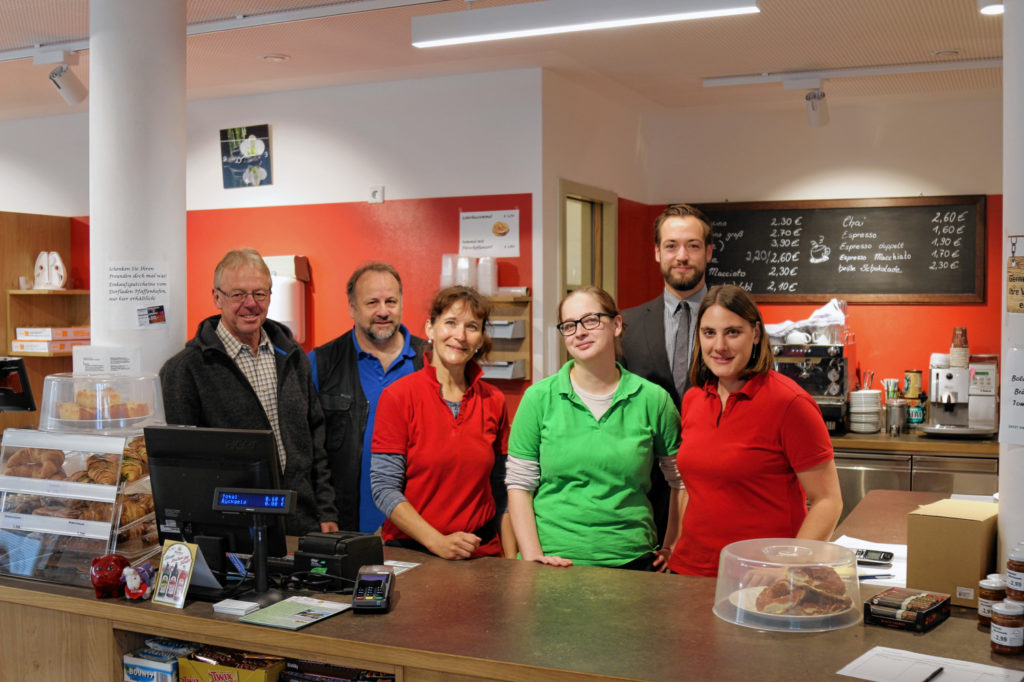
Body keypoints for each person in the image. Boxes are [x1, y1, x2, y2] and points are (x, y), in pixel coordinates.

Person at [159, 248, 339, 536]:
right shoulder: (185, 370)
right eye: (238, 294)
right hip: (233, 529)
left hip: (300, 522)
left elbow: (316, 440)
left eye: (260, 294)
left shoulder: (293, 357)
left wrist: (326, 510)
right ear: (217, 297)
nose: (250, 304)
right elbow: (185, 468)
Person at [667, 284, 843, 577]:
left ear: (756, 334)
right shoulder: (694, 398)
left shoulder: (790, 403)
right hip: (689, 572)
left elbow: (828, 501)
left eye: (733, 332)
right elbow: (693, 486)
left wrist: (788, 567)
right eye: (709, 332)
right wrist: (672, 545)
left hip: (761, 576)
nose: (719, 346)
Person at [506, 286, 682, 569]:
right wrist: (531, 556)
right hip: (554, 563)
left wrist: (673, 545)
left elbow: (680, 480)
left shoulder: (653, 399)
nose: (580, 331)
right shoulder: (538, 399)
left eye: (591, 320)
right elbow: (519, 485)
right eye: (569, 325)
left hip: (633, 562)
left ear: (617, 324)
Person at [369, 286, 514, 560]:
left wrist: (513, 559)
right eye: (450, 323)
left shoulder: (493, 400)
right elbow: (384, 488)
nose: (460, 336)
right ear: (430, 328)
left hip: (481, 553)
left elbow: (502, 490)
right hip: (414, 553)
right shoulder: (398, 397)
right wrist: (437, 542)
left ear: (481, 339)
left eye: (472, 327)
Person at [308, 262, 429, 533]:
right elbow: (308, 451)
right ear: (352, 307)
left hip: (420, 529)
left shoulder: (430, 361)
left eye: (391, 301)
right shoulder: (321, 364)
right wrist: (323, 510)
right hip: (344, 525)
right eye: (372, 302)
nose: (383, 311)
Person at [620, 203, 714, 545]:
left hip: (717, 482)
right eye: (672, 246)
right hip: (646, 491)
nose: (682, 256)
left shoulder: (732, 323)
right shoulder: (628, 325)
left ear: (708, 252)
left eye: (693, 245)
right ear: (657, 252)